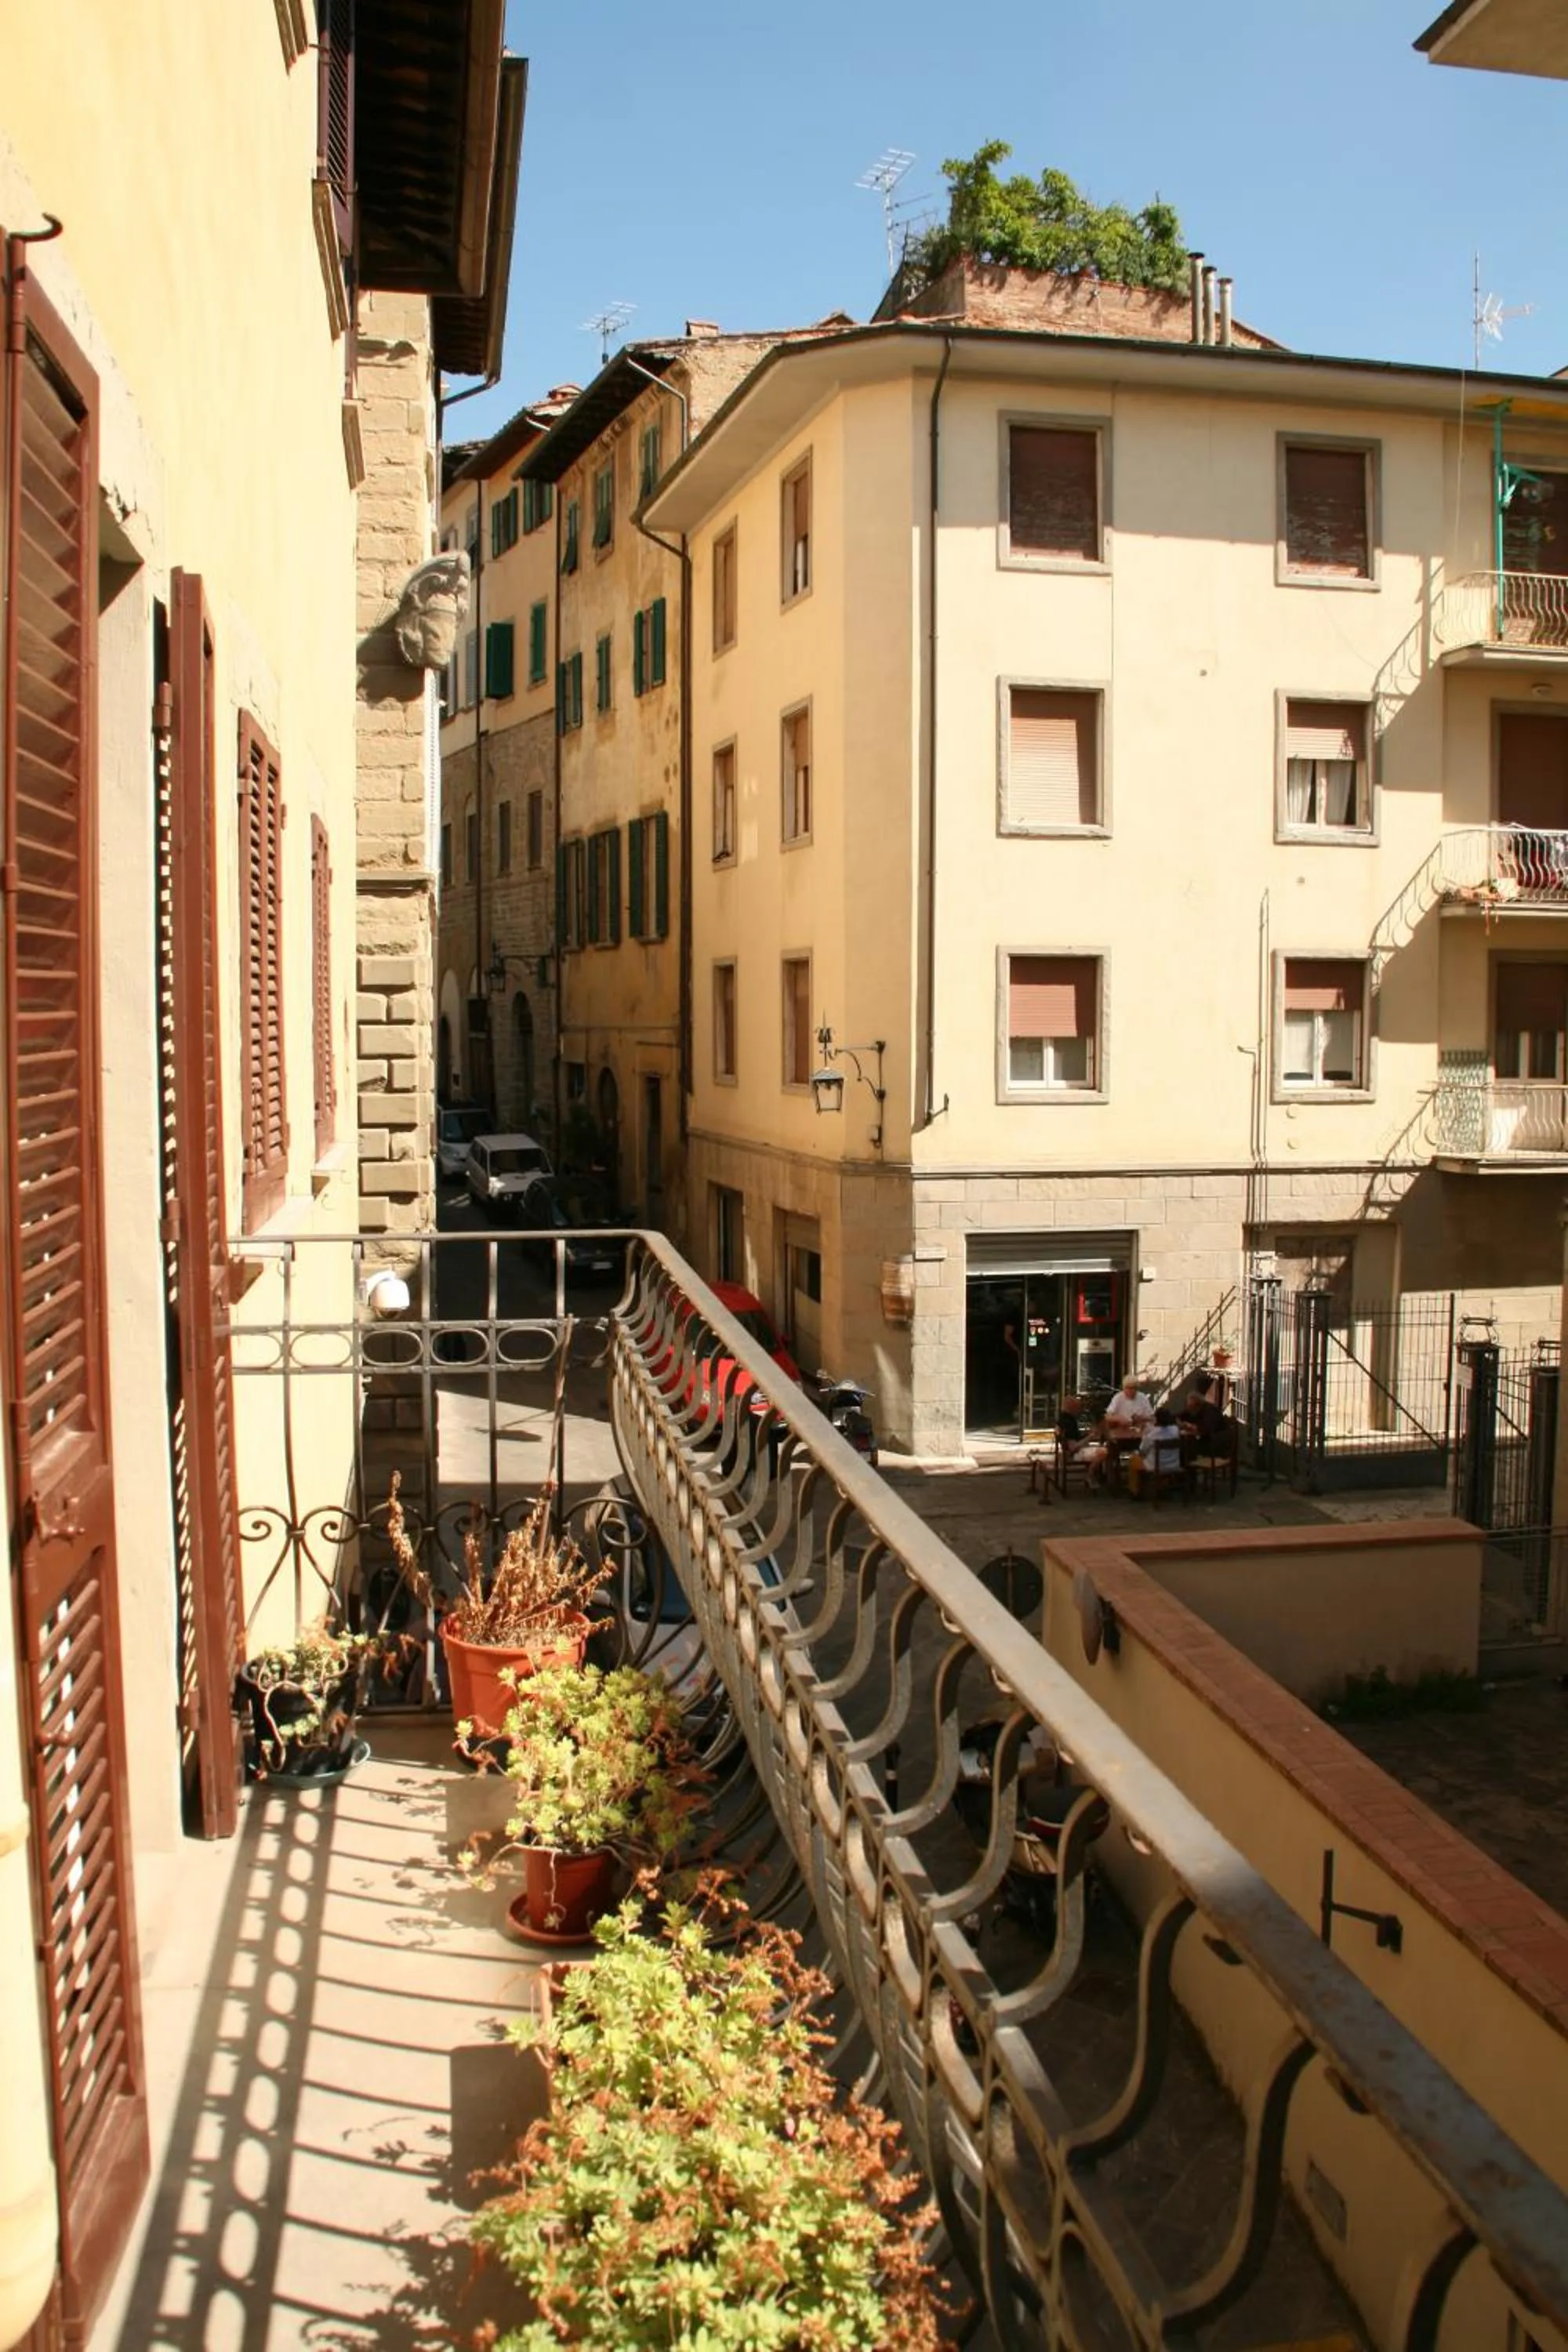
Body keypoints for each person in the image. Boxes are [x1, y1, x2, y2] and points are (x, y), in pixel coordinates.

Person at [1127, 1406, 1183, 1496]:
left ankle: (1136, 1491)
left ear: (1156, 1419)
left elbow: (1142, 1451)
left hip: (1156, 1466)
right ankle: (1161, 1488)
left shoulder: (1152, 1435)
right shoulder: (1175, 1430)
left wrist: (1143, 1432)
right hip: (1174, 1464)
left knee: (1134, 1459)